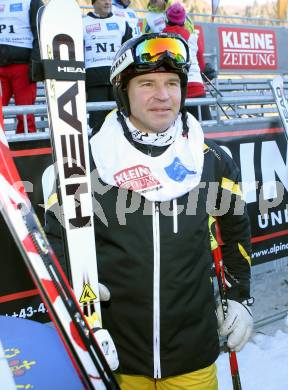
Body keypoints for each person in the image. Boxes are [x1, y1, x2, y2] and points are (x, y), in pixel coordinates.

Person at [44, 33, 253, 389]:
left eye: (172, 83)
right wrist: (79, 306)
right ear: (123, 91)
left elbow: (235, 234)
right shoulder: (87, 162)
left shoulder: (211, 160)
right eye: (147, 83)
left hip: (192, 354)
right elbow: (55, 242)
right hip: (115, 355)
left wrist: (239, 299)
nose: (163, 95)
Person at [83, 0, 132, 133]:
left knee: (122, 123)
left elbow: (129, 53)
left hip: (118, 82)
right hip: (94, 83)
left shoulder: (122, 22)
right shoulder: (82, 23)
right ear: (93, 3)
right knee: (98, 125)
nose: (107, 2)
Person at [163, 2, 212, 120]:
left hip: (176, 89)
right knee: (204, 127)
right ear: (184, 21)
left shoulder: (161, 37)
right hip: (196, 86)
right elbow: (201, 64)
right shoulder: (193, 36)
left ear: (167, 19)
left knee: (178, 130)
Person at [0, 0, 43, 133]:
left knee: (25, 115)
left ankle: (26, 150)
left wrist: (35, 65)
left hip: (23, 67)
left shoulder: (32, 2)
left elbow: (40, 33)